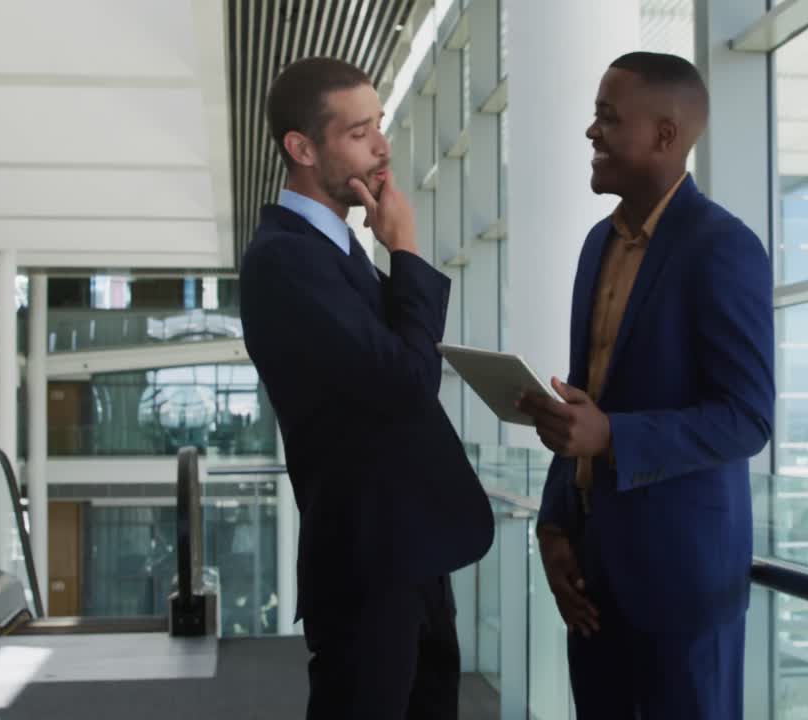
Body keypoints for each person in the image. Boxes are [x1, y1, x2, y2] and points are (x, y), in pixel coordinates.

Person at [518, 52, 775, 719]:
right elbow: (584, 397)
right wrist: (552, 527)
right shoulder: (596, 245)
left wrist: (611, 435)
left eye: (608, 118)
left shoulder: (722, 247)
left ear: (665, 136)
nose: (590, 133)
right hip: (592, 580)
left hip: (683, 588)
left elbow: (747, 417)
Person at [239, 57, 494, 720]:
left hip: (406, 551)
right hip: (367, 563)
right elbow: (409, 380)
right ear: (302, 148)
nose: (382, 145)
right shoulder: (285, 259)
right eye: (359, 132)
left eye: (379, 124)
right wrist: (406, 251)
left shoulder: (335, 251)